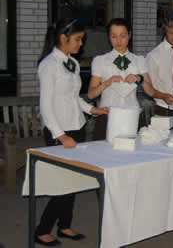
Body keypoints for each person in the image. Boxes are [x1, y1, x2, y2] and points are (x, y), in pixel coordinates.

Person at [36, 18, 108, 246]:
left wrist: (93, 109)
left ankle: (65, 225)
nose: (81, 45)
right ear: (63, 39)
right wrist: (60, 135)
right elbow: (45, 106)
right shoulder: (48, 65)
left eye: (81, 40)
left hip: (76, 127)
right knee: (61, 183)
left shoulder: (72, 63)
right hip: (59, 132)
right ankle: (41, 229)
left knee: (73, 181)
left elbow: (73, 98)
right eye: (77, 40)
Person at [88, 18, 164, 140]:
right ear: (109, 37)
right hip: (107, 115)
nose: (118, 40)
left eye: (123, 36)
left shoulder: (139, 60)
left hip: (132, 116)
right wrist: (107, 83)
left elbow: (150, 91)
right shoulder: (100, 60)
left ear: (129, 35)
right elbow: (91, 94)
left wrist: (139, 79)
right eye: (114, 36)